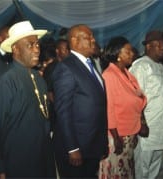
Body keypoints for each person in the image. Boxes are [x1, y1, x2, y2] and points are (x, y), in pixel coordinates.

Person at [0, 20, 56, 178]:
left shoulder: (38, 77)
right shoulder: (5, 81)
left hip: (43, 158)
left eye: (37, 44)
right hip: (19, 162)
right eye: (30, 45)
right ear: (15, 49)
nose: (37, 49)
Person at [52, 24, 108, 178]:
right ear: (75, 41)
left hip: (92, 145)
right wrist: (72, 148)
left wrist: (102, 143)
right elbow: (63, 111)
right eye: (89, 37)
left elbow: (99, 107)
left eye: (92, 36)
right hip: (77, 148)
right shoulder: (66, 67)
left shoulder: (90, 65)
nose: (93, 40)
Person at [129, 30, 163, 179]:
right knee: (142, 168)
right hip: (148, 129)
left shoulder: (161, 67)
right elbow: (134, 98)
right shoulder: (141, 66)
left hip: (162, 128)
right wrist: (141, 123)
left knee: (154, 167)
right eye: (159, 45)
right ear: (149, 46)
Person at [98, 36, 147, 178]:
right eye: (128, 51)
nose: (132, 54)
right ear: (117, 55)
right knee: (115, 172)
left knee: (126, 171)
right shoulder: (109, 75)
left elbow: (140, 100)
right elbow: (109, 108)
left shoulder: (128, 74)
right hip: (117, 135)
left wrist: (142, 123)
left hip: (130, 131)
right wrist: (115, 137)